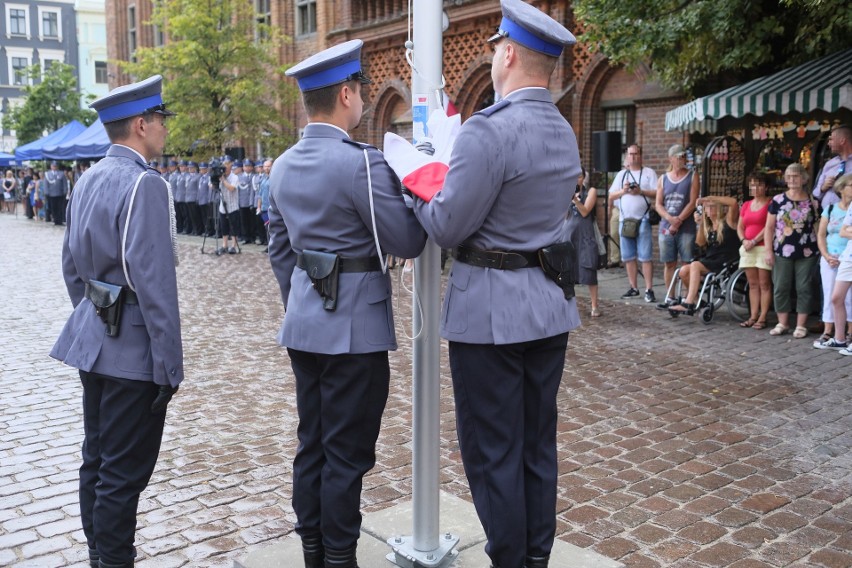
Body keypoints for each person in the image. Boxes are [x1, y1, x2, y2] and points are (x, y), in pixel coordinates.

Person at [406, 1, 580, 565]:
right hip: (547, 306)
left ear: (506, 53)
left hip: (490, 313)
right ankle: (534, 556)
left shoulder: (489, 130)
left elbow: (449, 224)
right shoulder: (563, 128)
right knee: (536, 447)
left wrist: (415, 185)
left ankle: (510, 559)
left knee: (492, 452)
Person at [267, 39, 426, 568]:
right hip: (354, 330)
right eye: (358, 90)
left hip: (305, 326)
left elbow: (278, 249)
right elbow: (407, 242)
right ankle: (338, 558)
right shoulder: (361, 163)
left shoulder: (283, 165)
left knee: (311, 443)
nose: (361, 99)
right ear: (345, 94)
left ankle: (314, 551)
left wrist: (307, 303)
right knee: (346, 455)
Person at [49, 75, 182, 568]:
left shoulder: (87, 177)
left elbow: (70, 267)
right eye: (160, 120)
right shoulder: (146, 183)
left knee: (97, 461)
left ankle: (99, 555)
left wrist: (96, 318)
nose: (165, 129)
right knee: (122, 475)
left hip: (94, 342)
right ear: (141, 124)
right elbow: (156, 287)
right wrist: (170, 365)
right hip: (133, 354)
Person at [764, 162, 820, 338]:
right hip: (782, 250)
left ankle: (801, 325)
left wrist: (822, 249)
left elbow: (819, 227)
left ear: (804, 179)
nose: (792, 179)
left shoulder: (813, 201)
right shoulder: (778, 200)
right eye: (789, 176)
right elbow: (769, 227)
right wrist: (768, 251)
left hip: (807, 251)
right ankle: (783, 323)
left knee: (804, 287)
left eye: (796, 176)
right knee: (781, 286)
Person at [668, 195, 739, 315]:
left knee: (695, 265)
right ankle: (697, 301)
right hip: (710, 258)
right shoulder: (708, 226)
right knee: (683, 271)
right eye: (707, 207)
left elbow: (733, 202)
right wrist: (701, 224)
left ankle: (688, 302)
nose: (709, 210)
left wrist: (709, 198)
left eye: (712, 207)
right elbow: (700, 243)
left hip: (726, 259)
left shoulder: (728, 221)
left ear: (719, 208)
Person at [608, 144, 659, 303]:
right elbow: (611, 196)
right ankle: (633, 287)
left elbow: (658, 193)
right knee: (628, 257)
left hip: (643, 219)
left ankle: (649, 289)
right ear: (627, 156)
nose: (633, 157)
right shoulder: (622, 174)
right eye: (630, 154)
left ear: (641, 156)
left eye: (636, 154)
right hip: (625, 220)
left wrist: (641, 191)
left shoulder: (649, 173)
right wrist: (624, 191)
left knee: (645, 257)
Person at [656, 144, 699, 300]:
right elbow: (658, 204)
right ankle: (671, 295)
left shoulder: (692, 176)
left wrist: (679, 220)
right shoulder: (663, 178)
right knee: (669, 263)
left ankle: (690, 297)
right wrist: (669, 219)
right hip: (666, 227)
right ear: (671, 158)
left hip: (686, 227)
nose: (682, 159)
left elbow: (693, 201)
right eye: (679, 156)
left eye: (683, 156)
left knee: (687, 263)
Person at [814, 174, 852, 349]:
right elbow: (822, 234)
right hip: (833, 257)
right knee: (832, 294)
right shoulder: (830, 209)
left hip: (848, 256)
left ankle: (849, 333)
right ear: (841, 188)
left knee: (849, 297)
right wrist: (827, 255)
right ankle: (833, 332)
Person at [736, 172, 772, 329]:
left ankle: (763, 317)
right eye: (752, 184)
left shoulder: (770, 204)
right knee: (752, 284)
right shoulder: (746, 205)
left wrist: (754, 240)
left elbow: (769, 227)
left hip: (763, 246)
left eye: (758, 184)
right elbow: (740, 226)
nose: (755, 188)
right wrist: (744, 240)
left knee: (764, 283)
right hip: (748, 247)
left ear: (766, 187)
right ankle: (753, 315)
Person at [565, 167, 601, 316]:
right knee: (568, 271)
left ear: (584, 178)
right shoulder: (566, 193)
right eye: (574, 177)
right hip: (569, 235)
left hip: (586, 236)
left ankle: (594, 306)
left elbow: (585, 211)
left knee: (589, 269)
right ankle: (569, 305)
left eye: (579, 176)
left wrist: (574, 199)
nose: (577, 179)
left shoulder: (590, 191)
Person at [813, 124, 851, 210]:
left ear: (842, 141)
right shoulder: (829, 164)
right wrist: (823, 188)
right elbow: (816, 194)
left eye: (831, 139)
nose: (829, 143)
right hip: (827, 217)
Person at [217, 156, 240, 255]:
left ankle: (234, 246)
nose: (225, 168)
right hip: (223, 206)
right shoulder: (220, 176)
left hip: (232, 206)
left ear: (230, 166)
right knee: (224, 226)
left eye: (227, 165)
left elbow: (232, 188)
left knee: (234, 227)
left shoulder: (235, 177)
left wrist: (223, 180)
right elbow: (212, 186)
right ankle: (224, 245)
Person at [44, 160, 69, 225]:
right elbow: (46, 184)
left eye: (55, 166)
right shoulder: (47, 174)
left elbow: (64, 183)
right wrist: (46, 192)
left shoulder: (61, 173)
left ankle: (59, 221)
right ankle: (55, 220)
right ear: (51, 166)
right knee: (53, 208)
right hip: (51, 194)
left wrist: (65, 191)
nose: (54, 167)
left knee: (60, 207)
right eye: (53, 166)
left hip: (60, 193)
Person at [256, 158, 271, 251]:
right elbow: (260, 195)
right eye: (265, 166)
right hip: (264, 207)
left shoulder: (274, 178)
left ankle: (273, 246)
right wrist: (258, 206)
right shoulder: (263, 179)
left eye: (269, 166)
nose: (266, 168)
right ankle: (269, 245)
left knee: (272, 228)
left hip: (272, 208)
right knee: (267, 228)